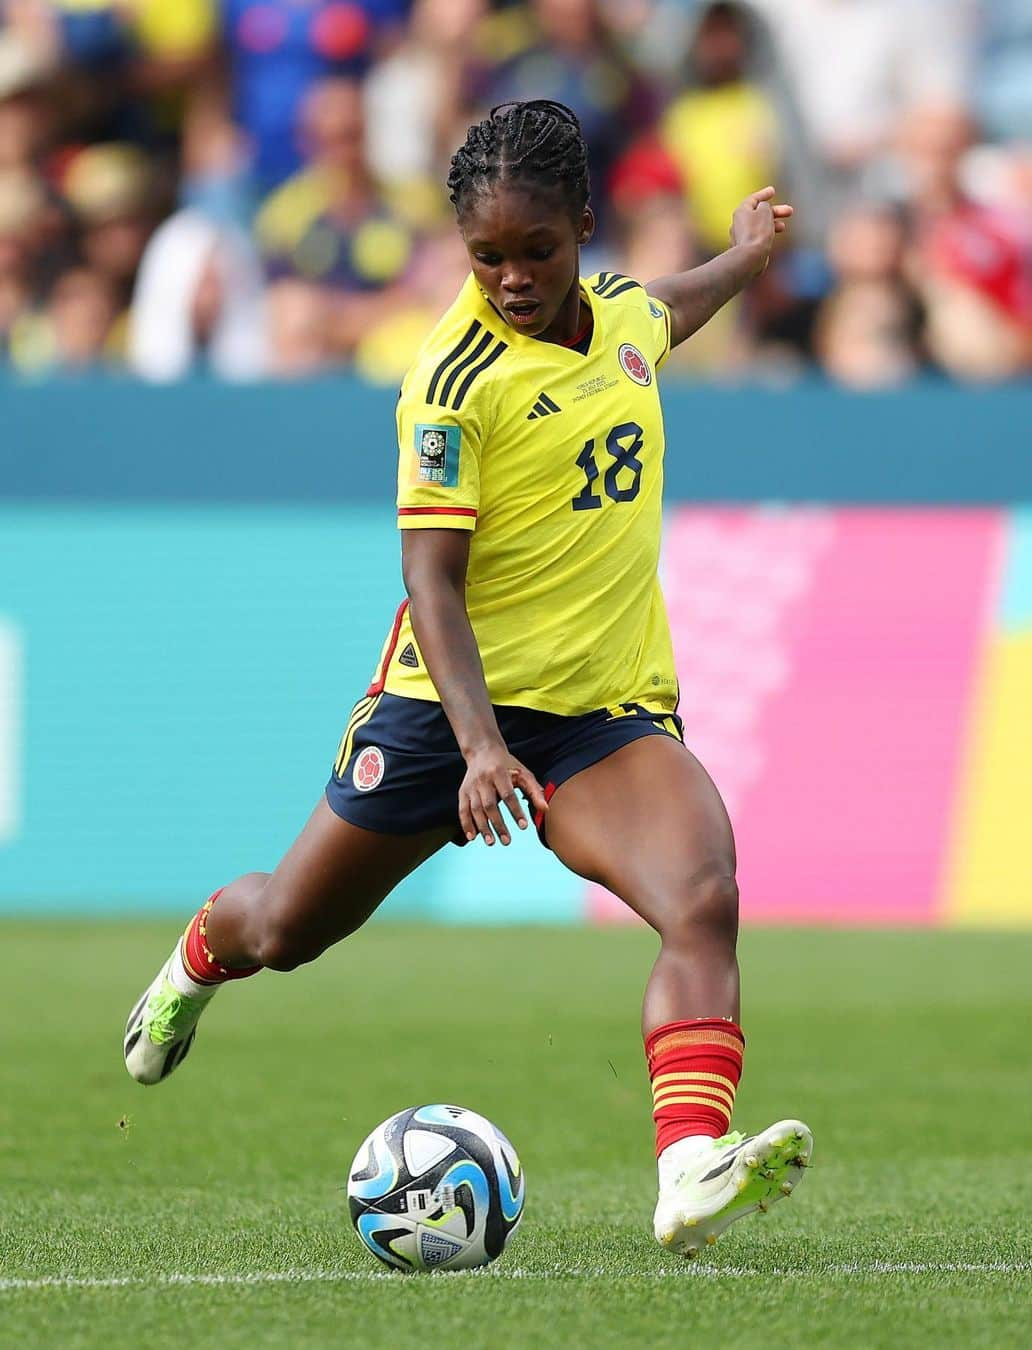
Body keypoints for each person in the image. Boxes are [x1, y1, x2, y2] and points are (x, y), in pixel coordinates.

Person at [123, 99, 813, 1258]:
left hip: (599, 714)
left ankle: (689, 1169)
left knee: (702, 894)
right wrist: (481, 743)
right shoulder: (452, 384)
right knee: (290, 927)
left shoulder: (624, 320)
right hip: (447, 714)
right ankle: (200, 952)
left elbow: (664, 312)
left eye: (536, 252)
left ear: (583, 225)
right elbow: (431, 583)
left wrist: (744, 254)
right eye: (485, 256)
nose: (511, 278)